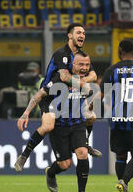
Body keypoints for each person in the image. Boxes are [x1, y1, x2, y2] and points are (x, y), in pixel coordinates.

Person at [14, 23, 99, 171]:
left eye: (84, 33)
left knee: (91, 117)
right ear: (70, 35)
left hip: (68, 96)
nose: (82, 36)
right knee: (48, 126)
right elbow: (64, 76)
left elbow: (94, 75)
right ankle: (24, 155)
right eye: (78, 33)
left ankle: (85, 144)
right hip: (50, 96)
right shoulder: (62, 53)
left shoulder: (80, 57)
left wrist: (84, 81)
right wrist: (25, 113)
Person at [18, 51, 96, 192]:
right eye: (81, 64)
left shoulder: (85, 83)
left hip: (77, 124)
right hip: (59, 126)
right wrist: (26, 113)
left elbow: (85, 104)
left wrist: (90, 107)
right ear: (73, 64)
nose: (84, 68)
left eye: (87, 65)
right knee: (65, 164)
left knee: (82, 153)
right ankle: (51, 172)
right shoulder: (59, 80)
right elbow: (39, 95)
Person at [101, 40, 133, 192]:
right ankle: (124, 181)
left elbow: (103, 94)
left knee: (120, 155)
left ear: (119, 51)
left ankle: (123, 189)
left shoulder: (111, 70)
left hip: (116, 119)